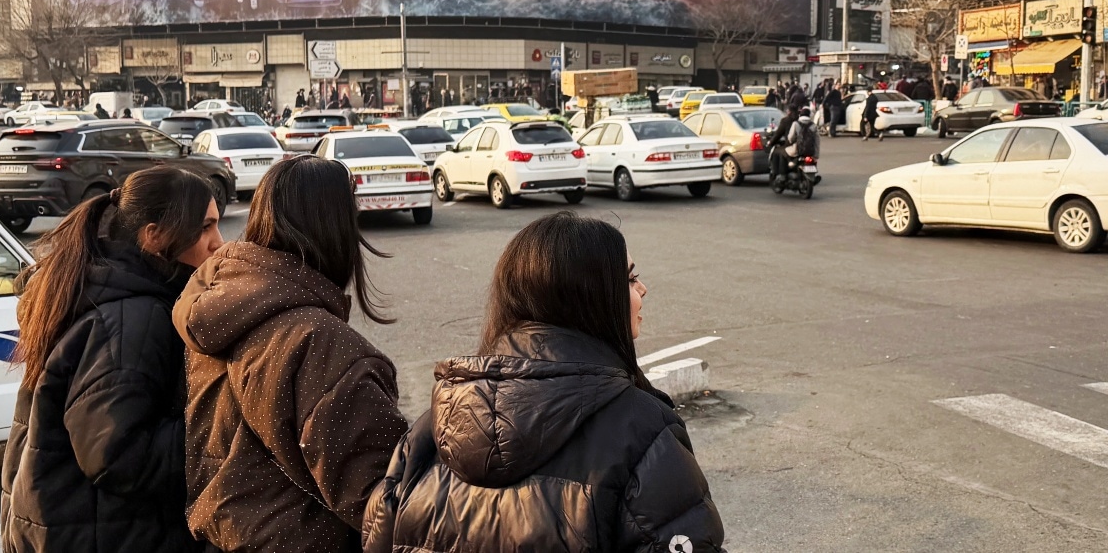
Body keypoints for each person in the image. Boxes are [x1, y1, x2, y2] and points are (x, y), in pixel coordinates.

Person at [363, 212, 723, 553]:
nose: (643, 289)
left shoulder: (432, 430)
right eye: (629, 279)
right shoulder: (643, 433)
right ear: (589, 298)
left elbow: (377, 536)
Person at [177, 156, 407, 553]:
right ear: (336, 229)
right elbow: (385, 503)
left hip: (225, 537)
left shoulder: (218, 306)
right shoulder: (321, 343)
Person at [0, 167, 222, 553]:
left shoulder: (106, 289)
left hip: (69, 528)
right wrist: (220, 426)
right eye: (204, 228)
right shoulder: (133, 316)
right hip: (99, 535)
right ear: (154, 236)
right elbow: (117, 453)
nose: (219, 243)